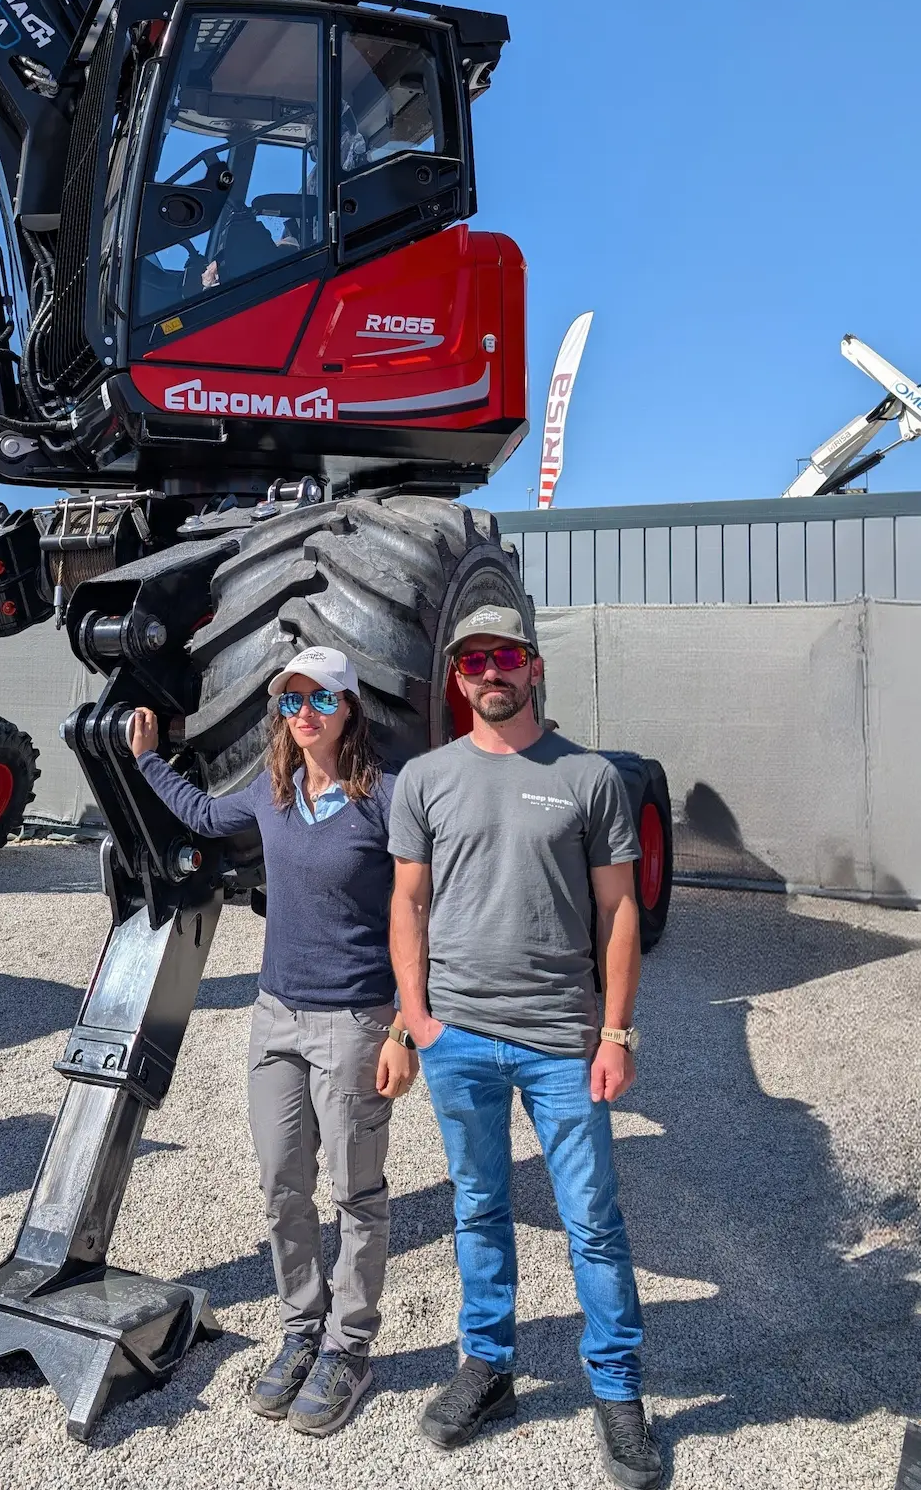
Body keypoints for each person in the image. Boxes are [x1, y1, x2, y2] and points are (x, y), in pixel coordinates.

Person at [387, 606, 663, 1490]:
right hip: (457, 1038)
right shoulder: (425, 778)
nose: (489, 672)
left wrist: (614, 1032)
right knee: (478, 1206)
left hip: (561, 1044)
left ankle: (616, 1392)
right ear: (456, 678)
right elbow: (409, 904)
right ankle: (488, 1368)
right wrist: (416, 1019)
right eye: (472, 661)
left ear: (533, 667)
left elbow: (618, 911)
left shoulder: (586, 777)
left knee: (591, 1221)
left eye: (503, 655)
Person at [129, 645, 417, 1437]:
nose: (305, 714)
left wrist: (405, 1026)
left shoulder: (387, 799)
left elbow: (421, 912)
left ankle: (348, 1348)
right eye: (292, 701)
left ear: (349, 708)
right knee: (281, 1184)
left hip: (355, 1021)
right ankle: (301, 1331)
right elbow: (200, 817)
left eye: (320, 699)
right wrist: (147, 762)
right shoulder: (271, 790)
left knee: (356, 1192)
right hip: (275, 1016)